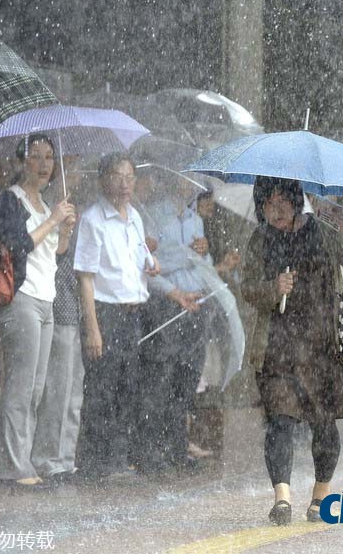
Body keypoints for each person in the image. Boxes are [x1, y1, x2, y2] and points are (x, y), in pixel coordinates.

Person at [241, 177, 343, 526]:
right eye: (268, 203)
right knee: (279, 422)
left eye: (282, 200)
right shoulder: (260, 239)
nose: (275, 209)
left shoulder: (324, 232)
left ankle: (319, 499)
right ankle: (282, 499)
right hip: (278, 348)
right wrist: (273, 288)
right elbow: (248, 288)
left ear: (297, 202)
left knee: (324, 424)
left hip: (324, 345)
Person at [0, 134, 76, 489]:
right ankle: (11, 466)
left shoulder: (44, 204)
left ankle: (21, 460)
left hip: (46, 298)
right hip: (21, 299)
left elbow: (54, 256)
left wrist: (66, 230)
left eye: (49, 157)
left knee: (37, 389)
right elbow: (17, 246)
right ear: (22, 161)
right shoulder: (10, 200)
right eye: (36, 157)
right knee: (21, 387)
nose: (44, 164)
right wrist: (53, 220)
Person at [73, 152, 160, 480]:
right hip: (106, 315)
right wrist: (93, 328)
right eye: (117, 176)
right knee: (101, 390)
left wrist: (150, 264)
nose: (124, 184)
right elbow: (85, 276)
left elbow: (139, 256)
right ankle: (96, 464)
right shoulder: (93, 219)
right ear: (102, 180)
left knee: (128, 388)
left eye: (129, 177)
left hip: (133, 315)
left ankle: (119, 459)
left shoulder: (135, 217)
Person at [135, 177, 212, 472]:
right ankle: (149, 451)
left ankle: (177, 448)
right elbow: (148, 264)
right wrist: (184, 258)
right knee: (160, 379)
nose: (189, 183)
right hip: (166, 304)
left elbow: (203, 262)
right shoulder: (153, 214)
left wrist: (205, 251)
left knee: (187, 379)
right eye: (181, 175)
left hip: (197, 304)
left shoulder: (196, 220)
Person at [30, 158, 87, 483]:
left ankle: (65, 458)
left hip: (74, 309)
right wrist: (61, 229)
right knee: (57, 389)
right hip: (58, 305)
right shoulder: (49, 208)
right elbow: (51, 257)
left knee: (72, 391)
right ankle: (47, 459)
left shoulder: (68, 209)